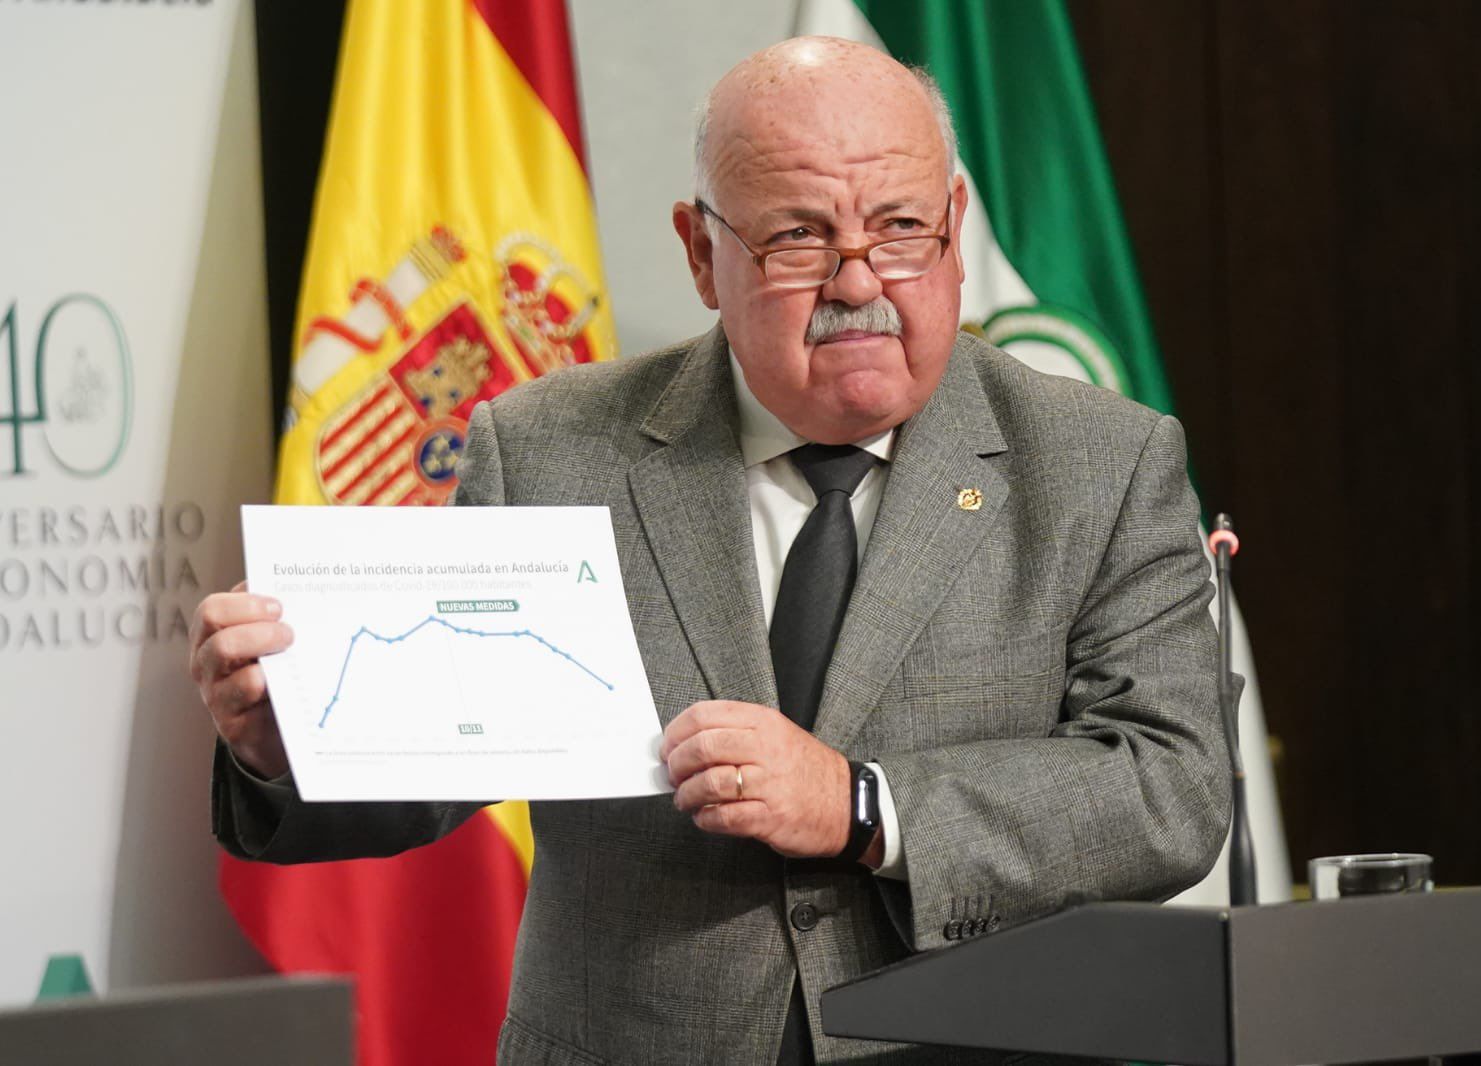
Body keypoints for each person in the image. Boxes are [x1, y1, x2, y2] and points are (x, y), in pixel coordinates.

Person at [192, 37, 1230, 1065]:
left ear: (955, 229)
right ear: (701, 253)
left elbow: (1168, 788)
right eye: (796, 238)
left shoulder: (1102, 461)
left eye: (901, 229)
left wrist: (862, 803)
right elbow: (444, 755)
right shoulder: (551, 446)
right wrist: (288, 742)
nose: (856, 279)